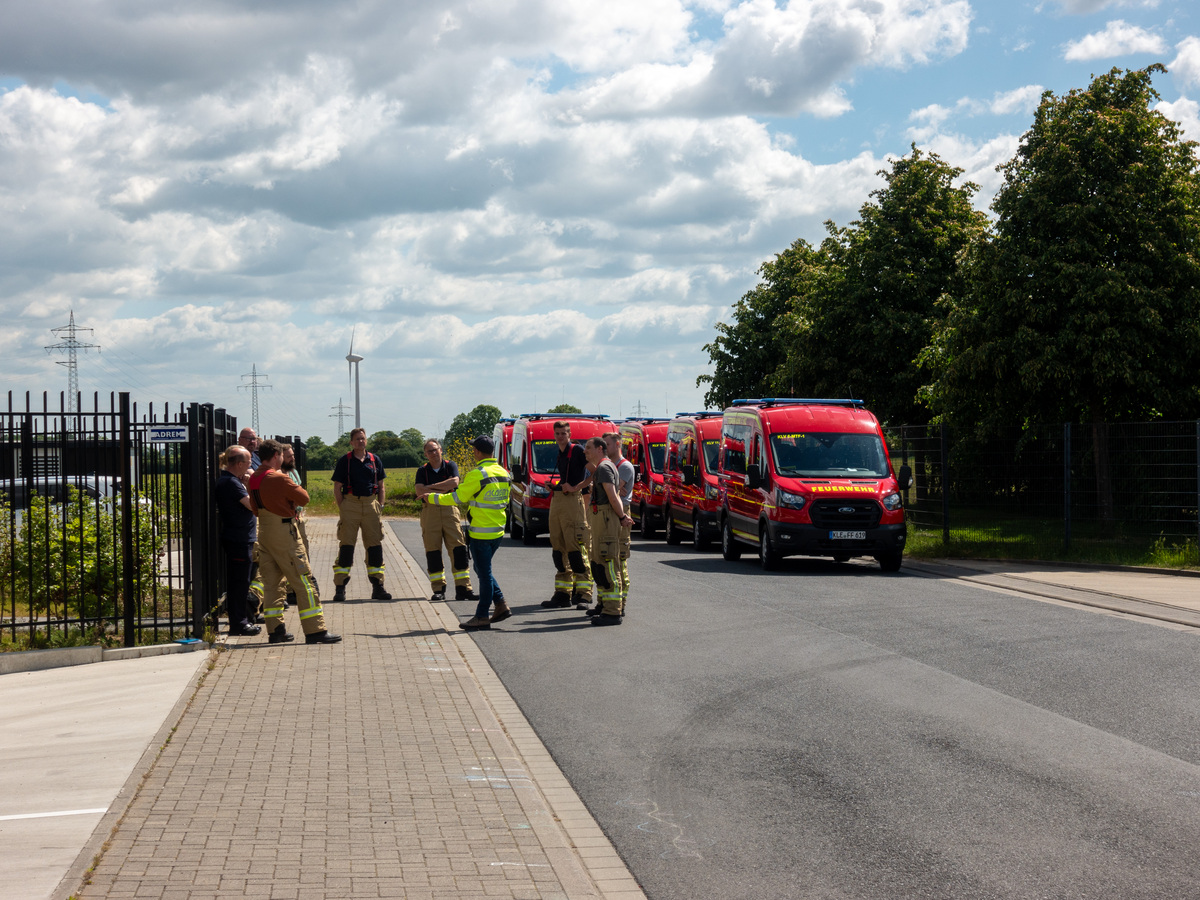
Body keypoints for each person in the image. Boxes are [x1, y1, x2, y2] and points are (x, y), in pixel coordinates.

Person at [248, 439, 341, 645]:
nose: (283, 458)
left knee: (272, 584)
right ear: (276, 456)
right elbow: (304, 498)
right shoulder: (279, 477)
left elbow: (254, 508)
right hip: (284, 532)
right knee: (303, 581)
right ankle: (315, 630)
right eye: (282, 455)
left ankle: (276, 631)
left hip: (264, 532)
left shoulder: (254, 478)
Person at [423, 436, 510, 630]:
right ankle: (500, 605)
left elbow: (457, 497)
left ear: (477, 452)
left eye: (474, 450)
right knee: (482, 570)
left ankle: (482, 616)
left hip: (481, 533)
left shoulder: (477, 474)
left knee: (484, 574)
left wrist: (433, 498)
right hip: (498, 531)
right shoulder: (504, 472)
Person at [331, 427, 391, 601]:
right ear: (351, 442)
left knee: (374, 547)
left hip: (371, 504)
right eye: (357, 439)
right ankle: (340, 588)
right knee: (347, 546)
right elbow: (337, 487)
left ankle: (378, 587)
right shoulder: (345, 461)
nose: (361, 441)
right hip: (350, 504)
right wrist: (343, 506)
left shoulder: (374, 459)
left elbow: (381, 485)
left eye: (363, 438)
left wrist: (380, 505)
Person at [414, 439, 474, 602]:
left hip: (450, 509)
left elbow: (454, 482)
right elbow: (419, 491)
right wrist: (444, 487)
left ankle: (463, 589)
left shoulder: (450, 465)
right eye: (429, 451)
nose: (433, 453)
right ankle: (438, 589)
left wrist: (429, 488)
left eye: (435, 449)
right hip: (430, 512)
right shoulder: (422, 470)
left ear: (441, 450)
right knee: (433, 551)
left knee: (458, 549)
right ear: (425, 454)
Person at [542, 420, 593, 610]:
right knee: (558, 549)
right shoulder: (560, 452)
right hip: (558, 501)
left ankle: (584, 594)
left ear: (569, 434)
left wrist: (577, 487)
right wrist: (553, 486)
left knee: (576, 549)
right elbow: (566, 479)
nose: (560, 436)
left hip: (573, 502)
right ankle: (563, 593)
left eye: (564, 433)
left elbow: (595, 471)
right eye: (557, 433)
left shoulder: (577, 450)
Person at [583, 438, 632, 626]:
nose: (585, 451)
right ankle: (603, 605)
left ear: (599, 449)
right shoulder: (603, 467)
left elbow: (613, 496)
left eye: (588, 448)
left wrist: (622, 517)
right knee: (598, 564)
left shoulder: (604, 468)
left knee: (608, 565)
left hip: (605, 520)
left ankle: (612, 612)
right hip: (600, 520)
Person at [214, 445, 261, 636]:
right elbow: (252, 505)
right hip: (238, 539)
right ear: (240, 464)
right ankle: (239, 623)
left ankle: (241, 620)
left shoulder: (232, 481)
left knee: (241, 581)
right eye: (249, 462)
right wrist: (251, 485)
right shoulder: (231, 483)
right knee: (239, 582)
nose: (251, 465)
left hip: (241, 538)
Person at [601, 431, 635, 617]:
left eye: (607, 444)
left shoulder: (625, 466)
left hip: (621, 511)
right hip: (609, 512)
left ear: (618, 444)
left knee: (620, 559)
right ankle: (604, 602)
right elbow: (610, 490)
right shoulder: (608, 465)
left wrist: (610, 488)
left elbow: (612, 492)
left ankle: (620, 604)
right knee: (606, 556)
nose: (604, 448)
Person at [281, 443, 307, 607]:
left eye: (292, 455)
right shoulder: (279, 474)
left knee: (303, 552)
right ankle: (290, 591)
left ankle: (299, 587)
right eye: (288, 456)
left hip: (298, 517)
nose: (292, 458)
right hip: (286, 519)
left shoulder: (294, 472)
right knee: (290, 556)